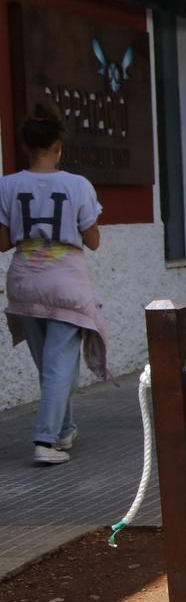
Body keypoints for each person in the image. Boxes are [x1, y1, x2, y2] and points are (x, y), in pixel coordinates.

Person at [1, 107, 109, 466]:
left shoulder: (7, 185)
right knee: (59, 366)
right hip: (66, 283)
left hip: (23, 283)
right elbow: (92, 241)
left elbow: (3, 242)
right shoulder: (77, 185)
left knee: (51, 366)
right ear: (58, 146)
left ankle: (64, 431)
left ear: (25, 146)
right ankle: (45, 441)